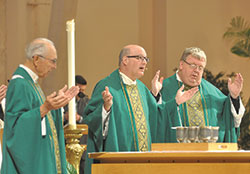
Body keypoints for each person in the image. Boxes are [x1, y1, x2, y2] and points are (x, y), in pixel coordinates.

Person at [83, 45, 198, 174]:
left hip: (144, 162)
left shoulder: (142, 89)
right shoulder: (107, 85)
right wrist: (106, 107)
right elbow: (90, 120)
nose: (144, 62)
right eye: (139, 58)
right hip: (118, 162)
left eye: (145, 59)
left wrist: (176, 102)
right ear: (125, 60)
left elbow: (157, 115)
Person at [1, 38, 79, 174]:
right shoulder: (20, 83)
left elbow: (40, 117)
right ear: (36, 59)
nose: (54, 66)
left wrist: (54, 106)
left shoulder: (31, 83)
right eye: (52, 61)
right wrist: (45, 108)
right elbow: (15, 129)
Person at [152, 47, 245, 143]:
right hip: (176, 154)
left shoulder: (212, 92)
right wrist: (155, 95)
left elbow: (229, 118)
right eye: (192, 65)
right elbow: (154, 118)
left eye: (200, 67)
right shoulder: (164, 88)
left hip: (209, 155)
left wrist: (234, 97)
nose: (196, 70)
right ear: (181, 65)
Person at [63, 75, 89, 174]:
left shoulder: (87, 102)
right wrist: (65, 117)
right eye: (80, 90)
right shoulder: (63, 100)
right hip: (66, 143)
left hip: (82, 143)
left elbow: (90, 120)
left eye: (84, 90)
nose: (83, 93)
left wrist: (79, 118)